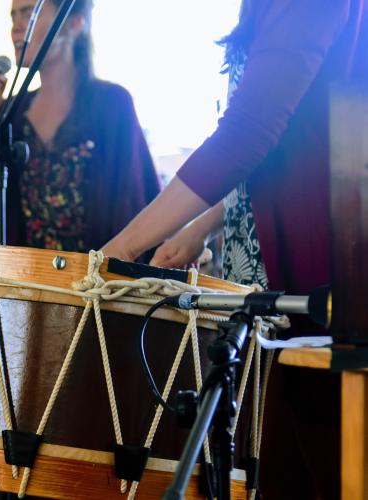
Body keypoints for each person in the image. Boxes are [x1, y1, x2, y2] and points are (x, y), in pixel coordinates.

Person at [102, 1, 368, 497]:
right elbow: (290, 140)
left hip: (330, 281)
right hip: (279, 276)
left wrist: (118, 250)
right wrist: (204, 223)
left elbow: (250, 132)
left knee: (323, 468)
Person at [0, 0, 160, 252]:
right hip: (28, 282)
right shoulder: (12, 110)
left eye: (29, 13)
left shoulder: (111, 102)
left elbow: (137, 199)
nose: (16, 27)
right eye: (13, 17)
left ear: (74, 23)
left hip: (101, 280)